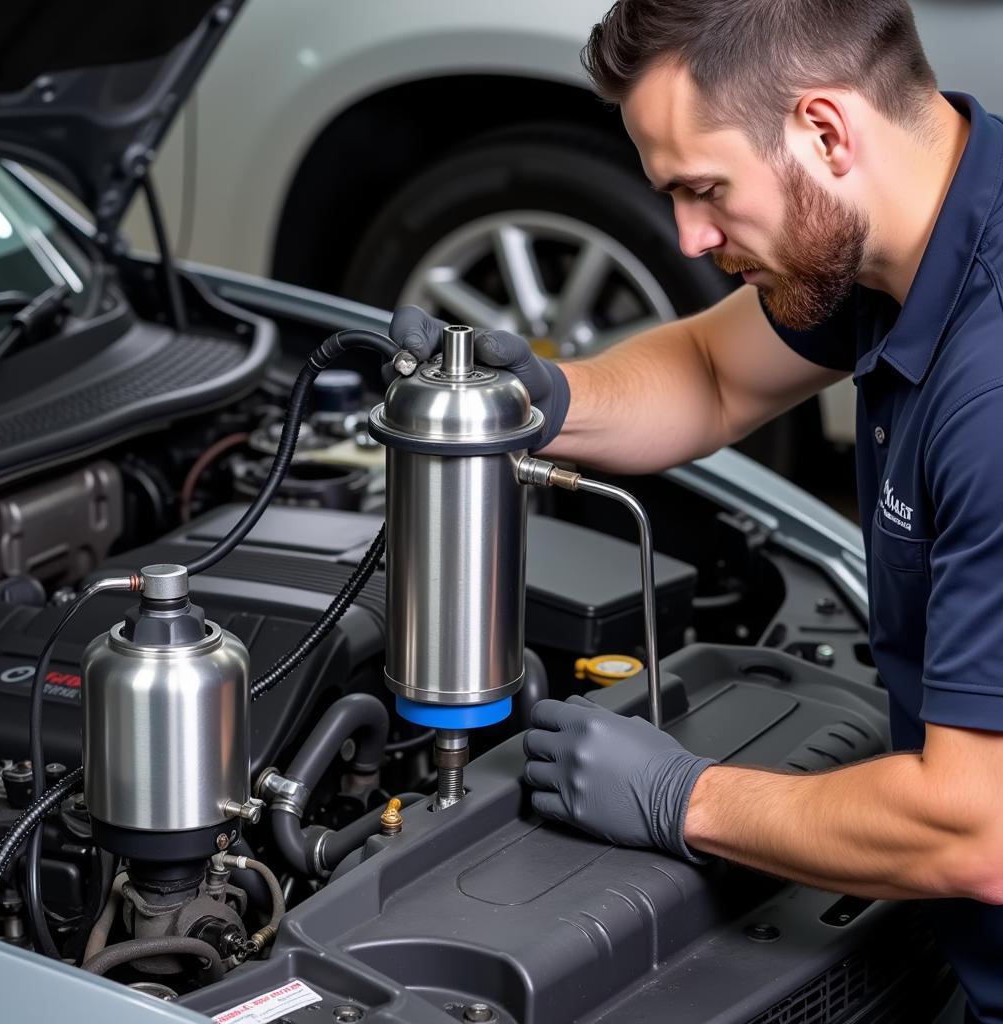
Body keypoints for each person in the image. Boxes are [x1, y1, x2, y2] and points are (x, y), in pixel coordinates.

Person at [388, 2, 1003, 1020]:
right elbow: (715, 373)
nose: (689, 235)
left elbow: (974, 827)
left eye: (705, 190)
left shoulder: (990, 388)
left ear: (824, 130)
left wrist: (684, 798)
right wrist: (544, 400)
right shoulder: (918, 222)